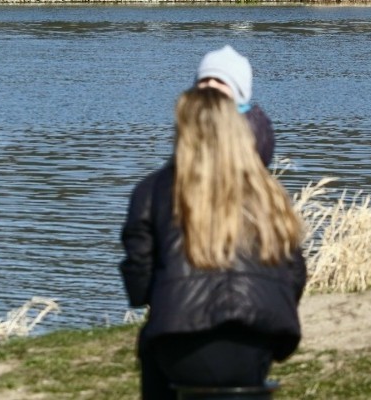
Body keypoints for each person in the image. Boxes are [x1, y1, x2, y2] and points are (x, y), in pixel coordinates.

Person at [120, 87, 307, 400]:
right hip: (258, 342)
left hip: (180, 347)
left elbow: (139, 284)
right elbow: (295, 274)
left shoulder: (153, 190)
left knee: (153, 345)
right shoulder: (269, 192)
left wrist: (168, 295)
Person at [194, 45, 275, 167]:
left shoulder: (254, 129)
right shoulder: (188, 120)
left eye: (220, 80)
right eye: (205, 80)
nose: (211, 84)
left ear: (239, 92)